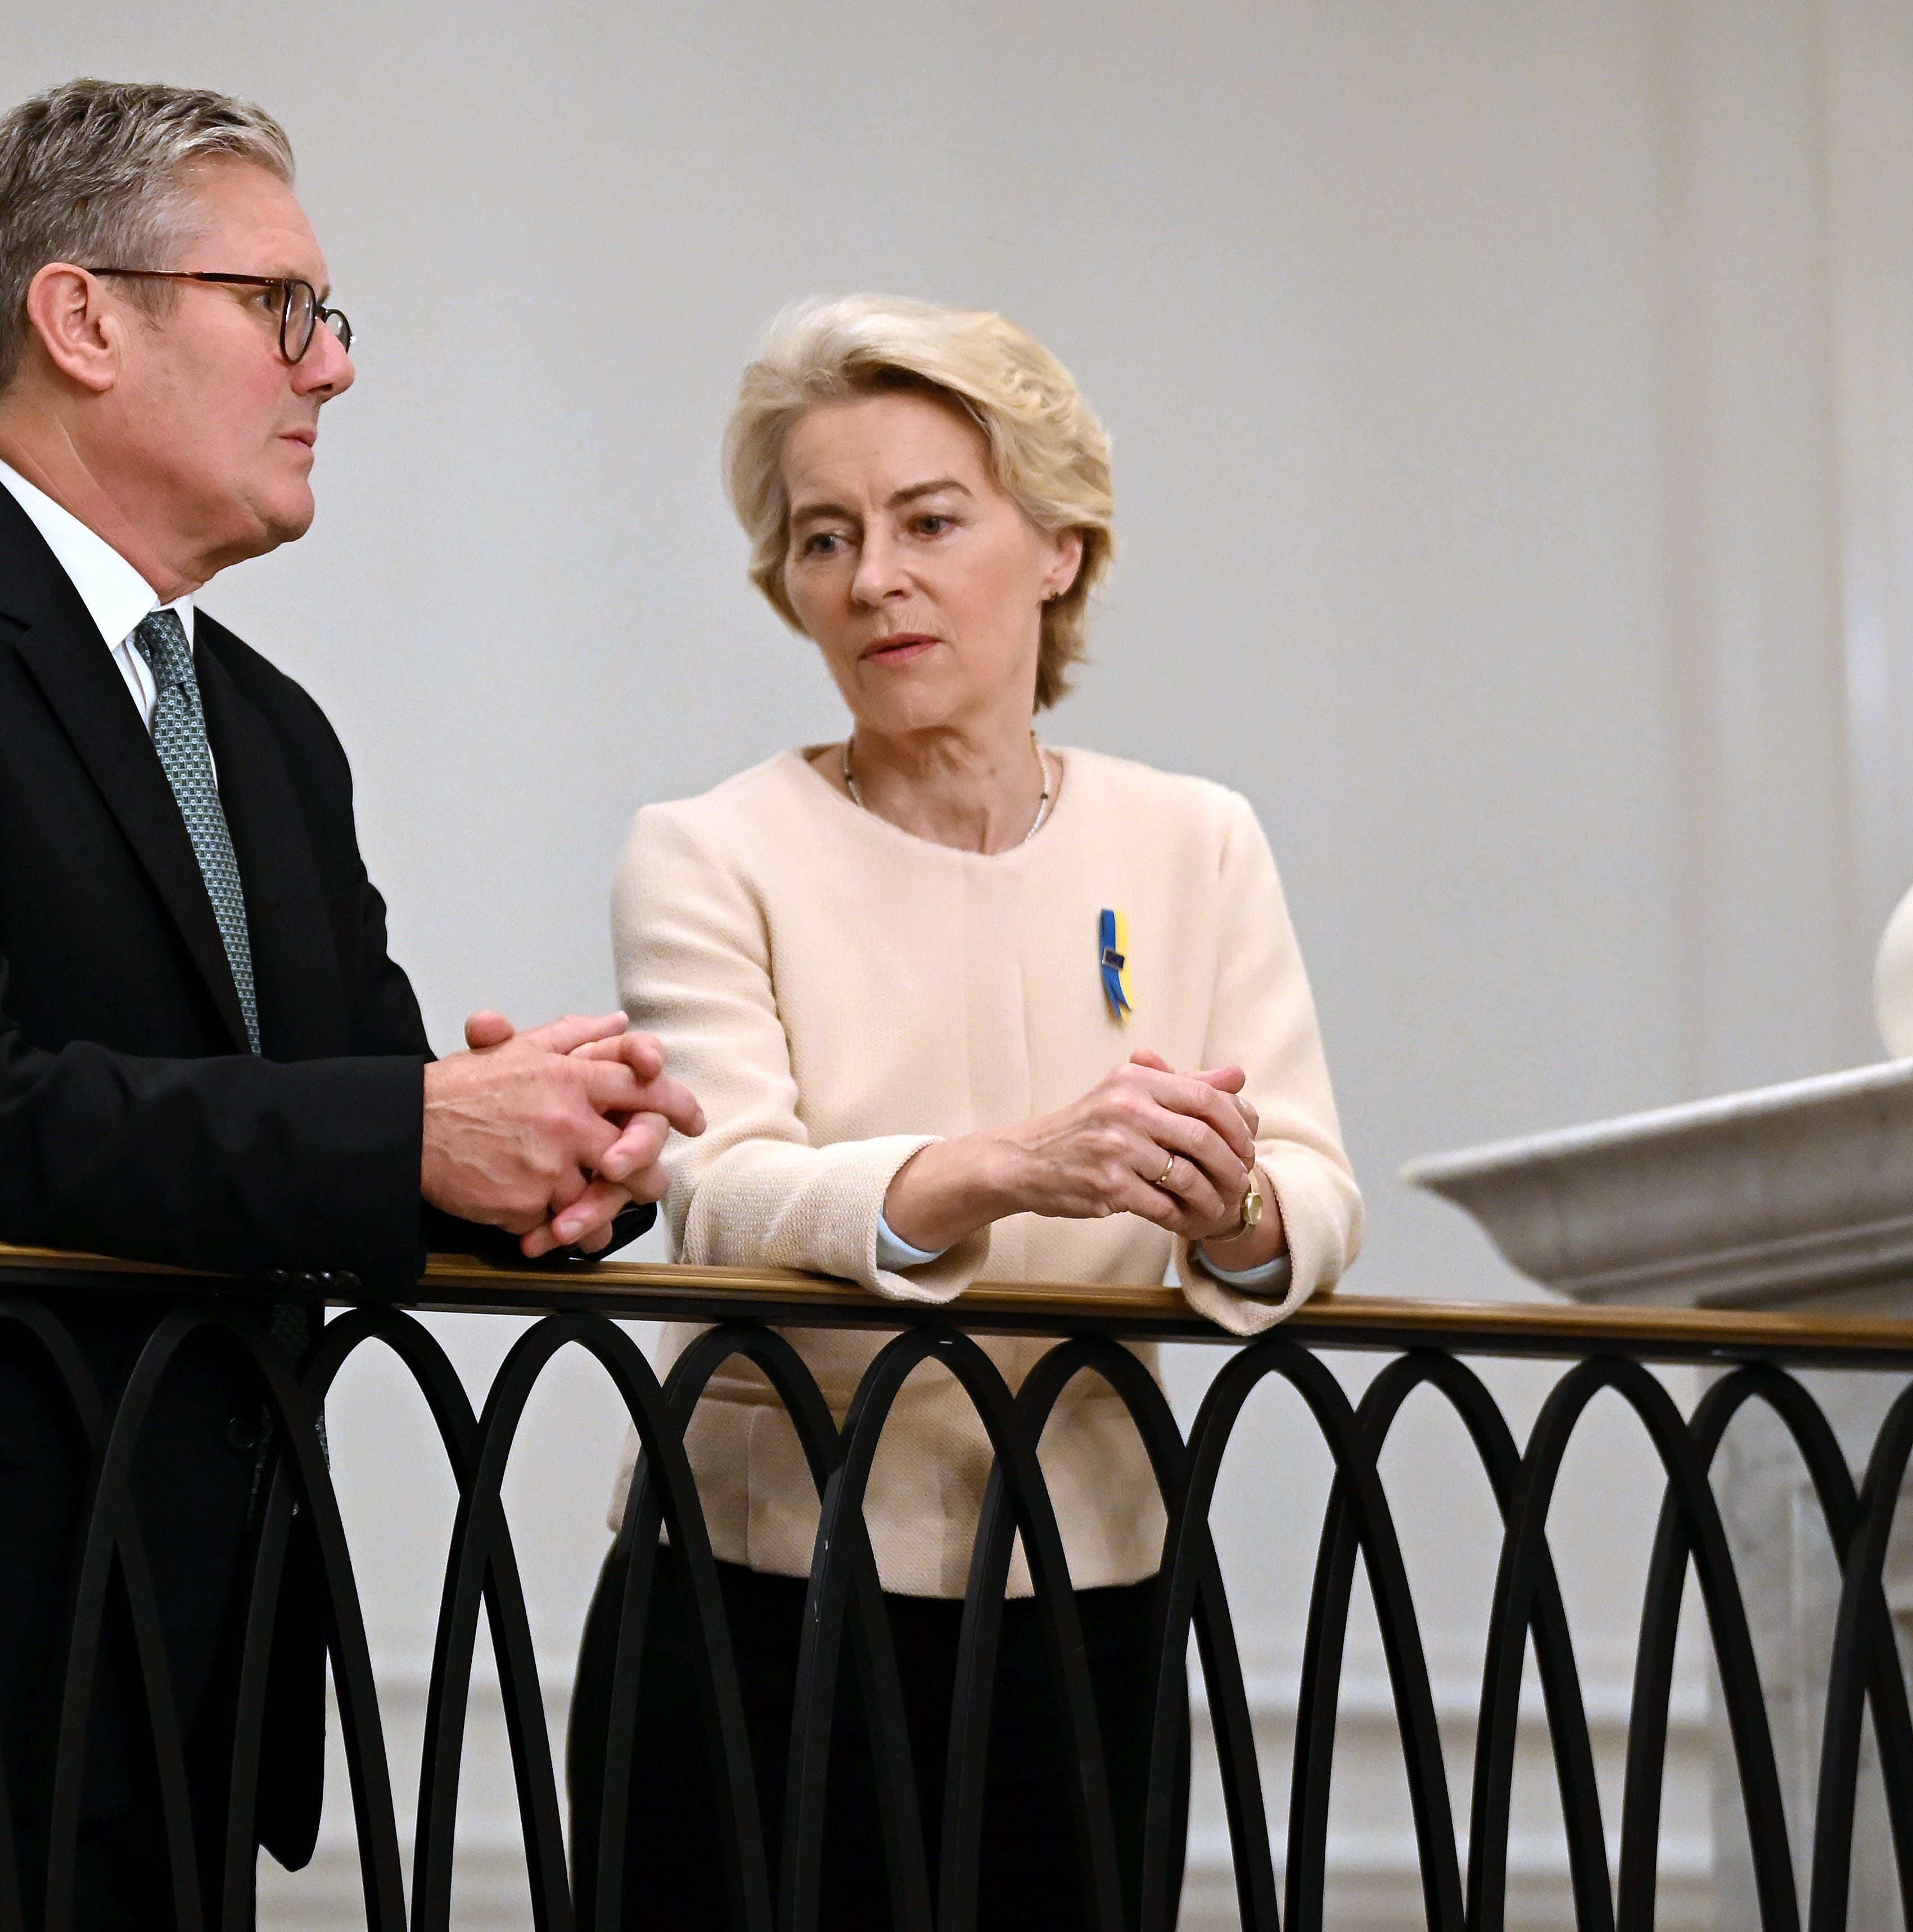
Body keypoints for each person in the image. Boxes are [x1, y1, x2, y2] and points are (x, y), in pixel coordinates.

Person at [0, 79, 701, 1925]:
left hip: (191, 1655)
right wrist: (411, 1131)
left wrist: (546, 1161)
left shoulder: (269, 734)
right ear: (83, 318)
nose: (332, 368)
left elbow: (350, 1121)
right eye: (280, 306)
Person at [571, 295, 1362, 1929]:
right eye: (823, 538)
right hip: (750, 1603)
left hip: (1094, 1600)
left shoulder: (1196, 839)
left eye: (930, 520)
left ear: (1058, 546)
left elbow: (1314, 1193)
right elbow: (714, 1194)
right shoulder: (706, 848)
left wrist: (1232, 1206)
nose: (874, 579)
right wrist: (1003, 1169)